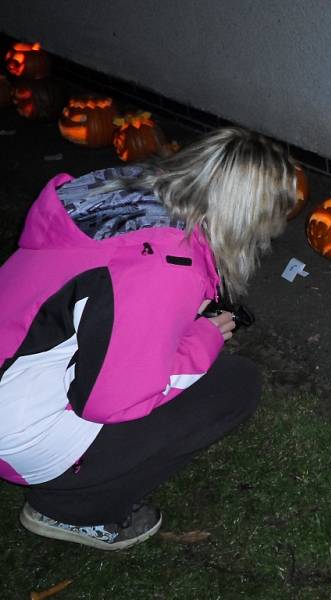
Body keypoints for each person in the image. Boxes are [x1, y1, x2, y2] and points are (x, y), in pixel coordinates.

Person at [0, 127, 296, 550]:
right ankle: (72, 509)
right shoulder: (165, 266)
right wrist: (204, 338)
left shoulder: (122, 200)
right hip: (16, 435)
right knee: (234, 385)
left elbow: (102, 302)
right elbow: (116, 400)